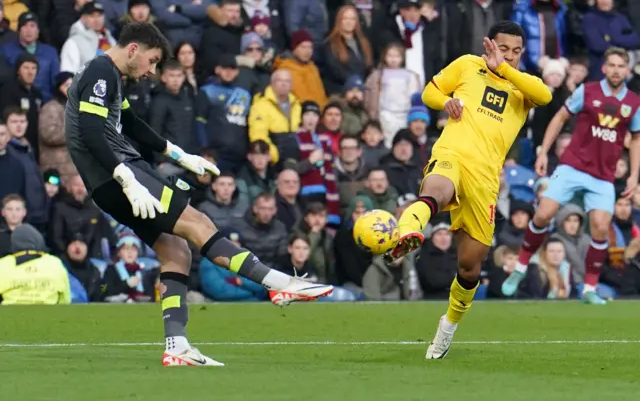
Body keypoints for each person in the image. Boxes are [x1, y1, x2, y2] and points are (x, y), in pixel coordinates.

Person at [63, 22, 333, 366]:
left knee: (176, 249)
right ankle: (277, 282)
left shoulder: (110, 76)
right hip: (118, 173)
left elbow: (130, 125)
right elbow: (90, 134)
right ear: (133, 50)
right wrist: (126, 179)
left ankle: (176, 345)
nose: (152, 71)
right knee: (197, 222)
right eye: (153, 61)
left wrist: (179, 155)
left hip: (113, 178)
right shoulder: (101, 71)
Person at [388, 21, 552, 359]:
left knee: (469, 266)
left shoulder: (523, 87)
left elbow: (546, 96)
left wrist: (504, 68)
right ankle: (407, 231)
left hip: (486, 180)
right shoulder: (466, 65)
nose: (509, 55)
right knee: (436, 190)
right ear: (488, 43)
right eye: (503, 48)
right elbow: (430, 92)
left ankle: (447, 327)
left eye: (516, 52)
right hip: (452, 154)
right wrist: (445, 103)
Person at [502, 47, 640, 305]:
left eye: (621, 66)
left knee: (600, 228)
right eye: (611, 65)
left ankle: (589, 288)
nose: (616, 70)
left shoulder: (633, 102)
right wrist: (543, 152)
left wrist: (633, 175)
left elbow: (637, 138)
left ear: (627, 70)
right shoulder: (586, 91)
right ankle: (520, 268)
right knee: (543, 213)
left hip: (603, 176)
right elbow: (560, 117)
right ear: (604, 67)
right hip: (571, 167)